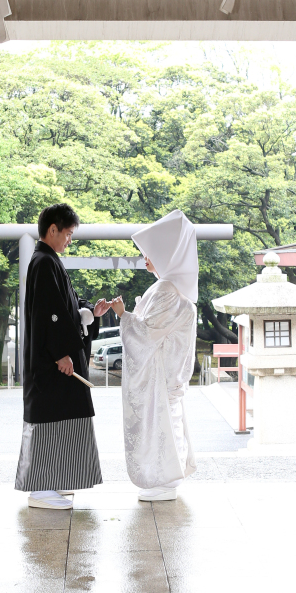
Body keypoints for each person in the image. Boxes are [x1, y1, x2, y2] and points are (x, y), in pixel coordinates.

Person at [16, 203, 110, 509]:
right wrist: (61, 353)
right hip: (52, 365)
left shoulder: (48, 260)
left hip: (56, 362)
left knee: (63, 419)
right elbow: (49, 315)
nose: (69, 239)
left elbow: (65, 308)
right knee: (50, 420)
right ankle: (41, 488)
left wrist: (89, 313)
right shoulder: (43, 262)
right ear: (52, 229)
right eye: (68, 233)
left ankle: (53, 481)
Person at [110, 209, 198, 502]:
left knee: (161, 423)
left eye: (150, 252)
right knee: (167, 421)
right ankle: (166, 476)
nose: (145, 257)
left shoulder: (166, 291)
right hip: (169, 376)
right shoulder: (172, 289)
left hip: (161, 377)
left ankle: (164, 477)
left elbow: (145, 335)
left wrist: (123, 315)